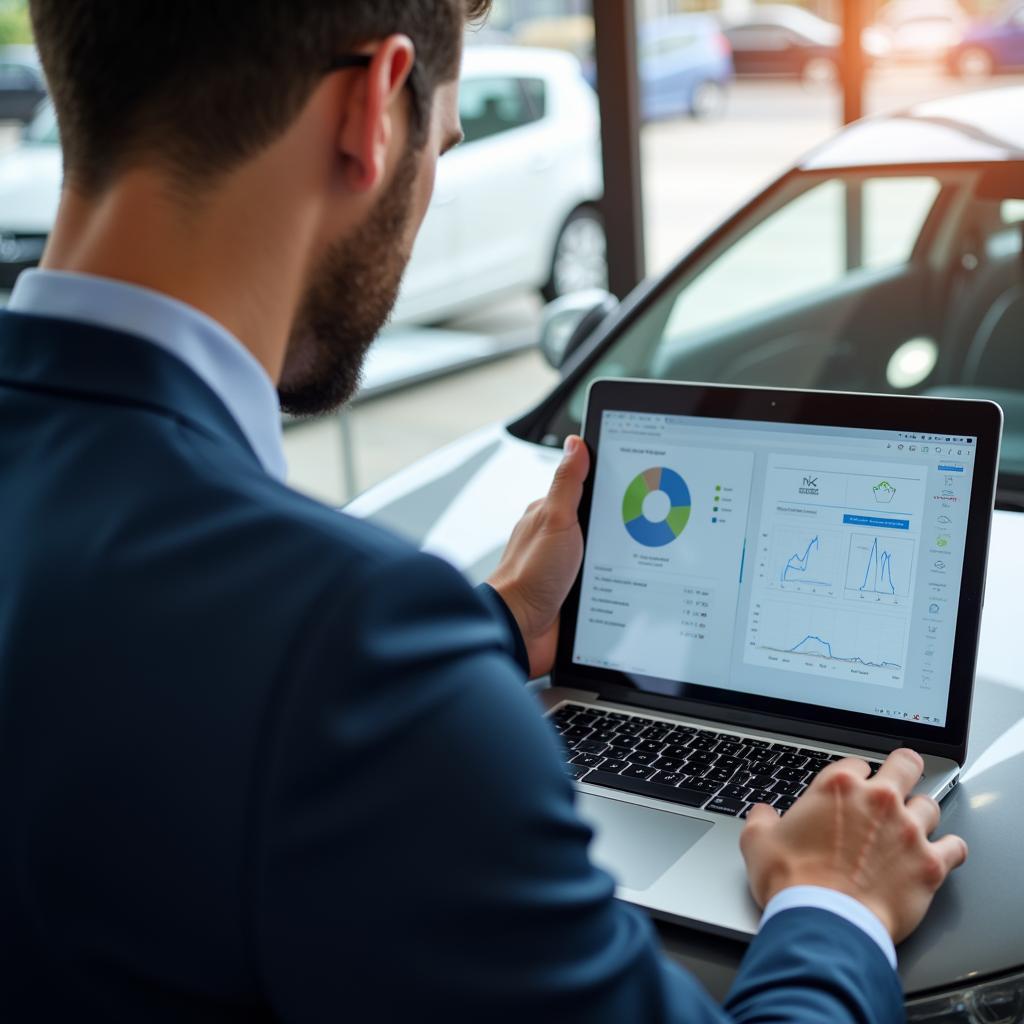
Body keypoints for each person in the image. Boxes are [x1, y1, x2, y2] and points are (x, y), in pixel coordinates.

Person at [0, 2, 967, 1021]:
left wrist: (500, 620)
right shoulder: (353, 645)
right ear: (373, 109)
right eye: (444, 146)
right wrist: (834, 907)